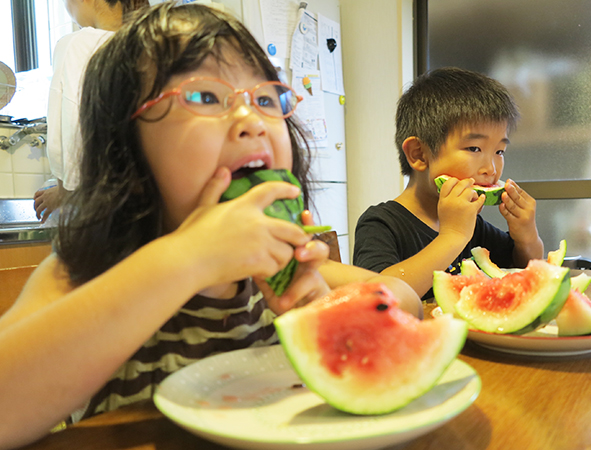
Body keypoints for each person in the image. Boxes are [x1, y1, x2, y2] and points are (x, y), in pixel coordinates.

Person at [0, 4, 421, 448]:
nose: (251, 121)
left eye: (264, 99)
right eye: (205, 96)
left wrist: (316, 303)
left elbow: (406, 303)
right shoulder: (83, 273)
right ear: (126, 150)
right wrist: (188, 257)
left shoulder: (279, 272)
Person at [353, 67, 544, 300]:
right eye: (474, 148)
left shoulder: (474, 225)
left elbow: (525, 270)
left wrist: (527, 236)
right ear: (419, 154)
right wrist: (452, 236)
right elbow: (377, 295)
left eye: (499, 151)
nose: (491, 169)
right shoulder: (381, 224)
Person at [33, 0, 149, 223]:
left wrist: (64, 192)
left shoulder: (76, 45)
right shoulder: (149, 43)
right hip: (148, 198)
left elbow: (68, 131)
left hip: (104, 208)